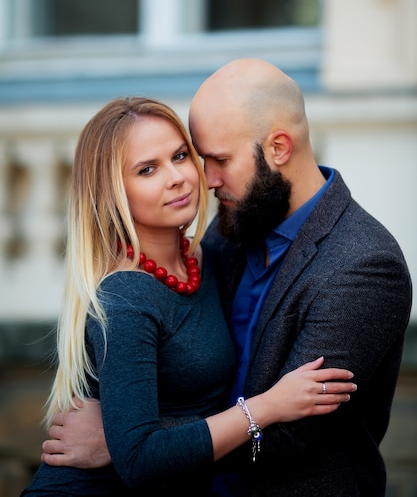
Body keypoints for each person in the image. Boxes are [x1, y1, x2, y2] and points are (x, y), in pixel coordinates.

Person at [38, 58, 412, 496]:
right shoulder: (228, 232)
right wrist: (136, 442)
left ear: (278, 148)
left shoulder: (362, 264)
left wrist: (125, 441)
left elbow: (294, 435)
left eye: (215, 159)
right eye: (198, 158)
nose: (202, 179)